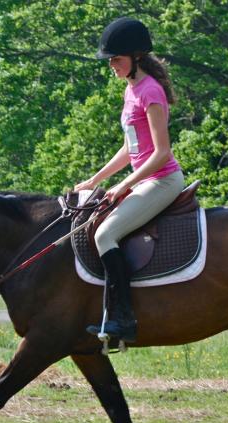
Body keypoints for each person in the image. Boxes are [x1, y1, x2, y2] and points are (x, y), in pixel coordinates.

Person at [74, 17, 185, 344]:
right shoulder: (131, 90)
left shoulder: (150, 91)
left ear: (136, 57)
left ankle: (123, 320)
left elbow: (161, 153)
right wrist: (94, 179)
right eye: (109, 60)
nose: (112, 65)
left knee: (105, 234)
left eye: (116, 59)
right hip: (145, 180)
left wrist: (124, 185)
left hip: (164, 180)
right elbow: (130, 148)